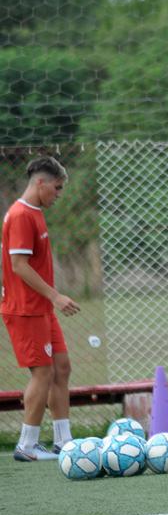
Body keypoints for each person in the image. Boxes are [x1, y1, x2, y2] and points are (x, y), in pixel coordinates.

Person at [2, 156, 79, 462]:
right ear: (41, 183)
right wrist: (56, 295)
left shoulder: (34, 212)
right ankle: (26, 445)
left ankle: (64, 441)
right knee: (42, 373)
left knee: (62, 368)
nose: (58, 195)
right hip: (25, 310)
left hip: (41, 308)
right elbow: (18, 266)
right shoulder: (21, 215)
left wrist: (50, 300)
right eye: (57, 188)